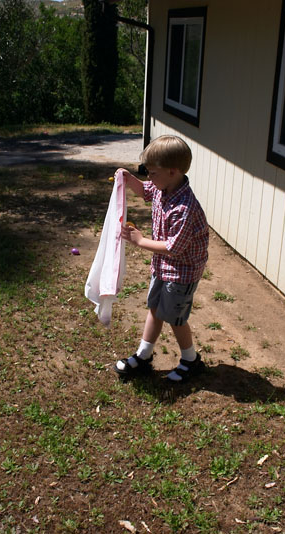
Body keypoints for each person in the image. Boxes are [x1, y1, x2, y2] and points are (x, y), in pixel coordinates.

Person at [114, 135, 209, 383]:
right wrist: (128, 179)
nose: (149, 177)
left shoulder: (184, 208)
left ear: (172, 172)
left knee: (175, 318)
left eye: (152, 173)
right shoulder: (161, 187)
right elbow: (144, 190)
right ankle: (143, 356)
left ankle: (191, 360)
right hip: (162, 266)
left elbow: (174, 247)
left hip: (181, 271)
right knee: (155, 309)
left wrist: (139, 240)